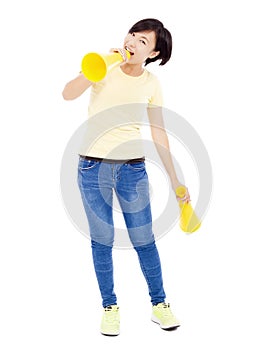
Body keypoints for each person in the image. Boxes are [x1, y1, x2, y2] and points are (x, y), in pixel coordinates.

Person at [62, 18, 190, 336]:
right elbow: (67, 94)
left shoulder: (151, 83)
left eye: (142, 41)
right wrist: (99, 66)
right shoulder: (103, 67)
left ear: (155, 52)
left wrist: (176, 182)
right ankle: (109, 307)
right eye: (132, 35)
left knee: (144, 240)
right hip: (92, 169)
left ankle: (159, 304)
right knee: (102, 241)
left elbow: (159, 134)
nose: (132, 42)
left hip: (133, 170)